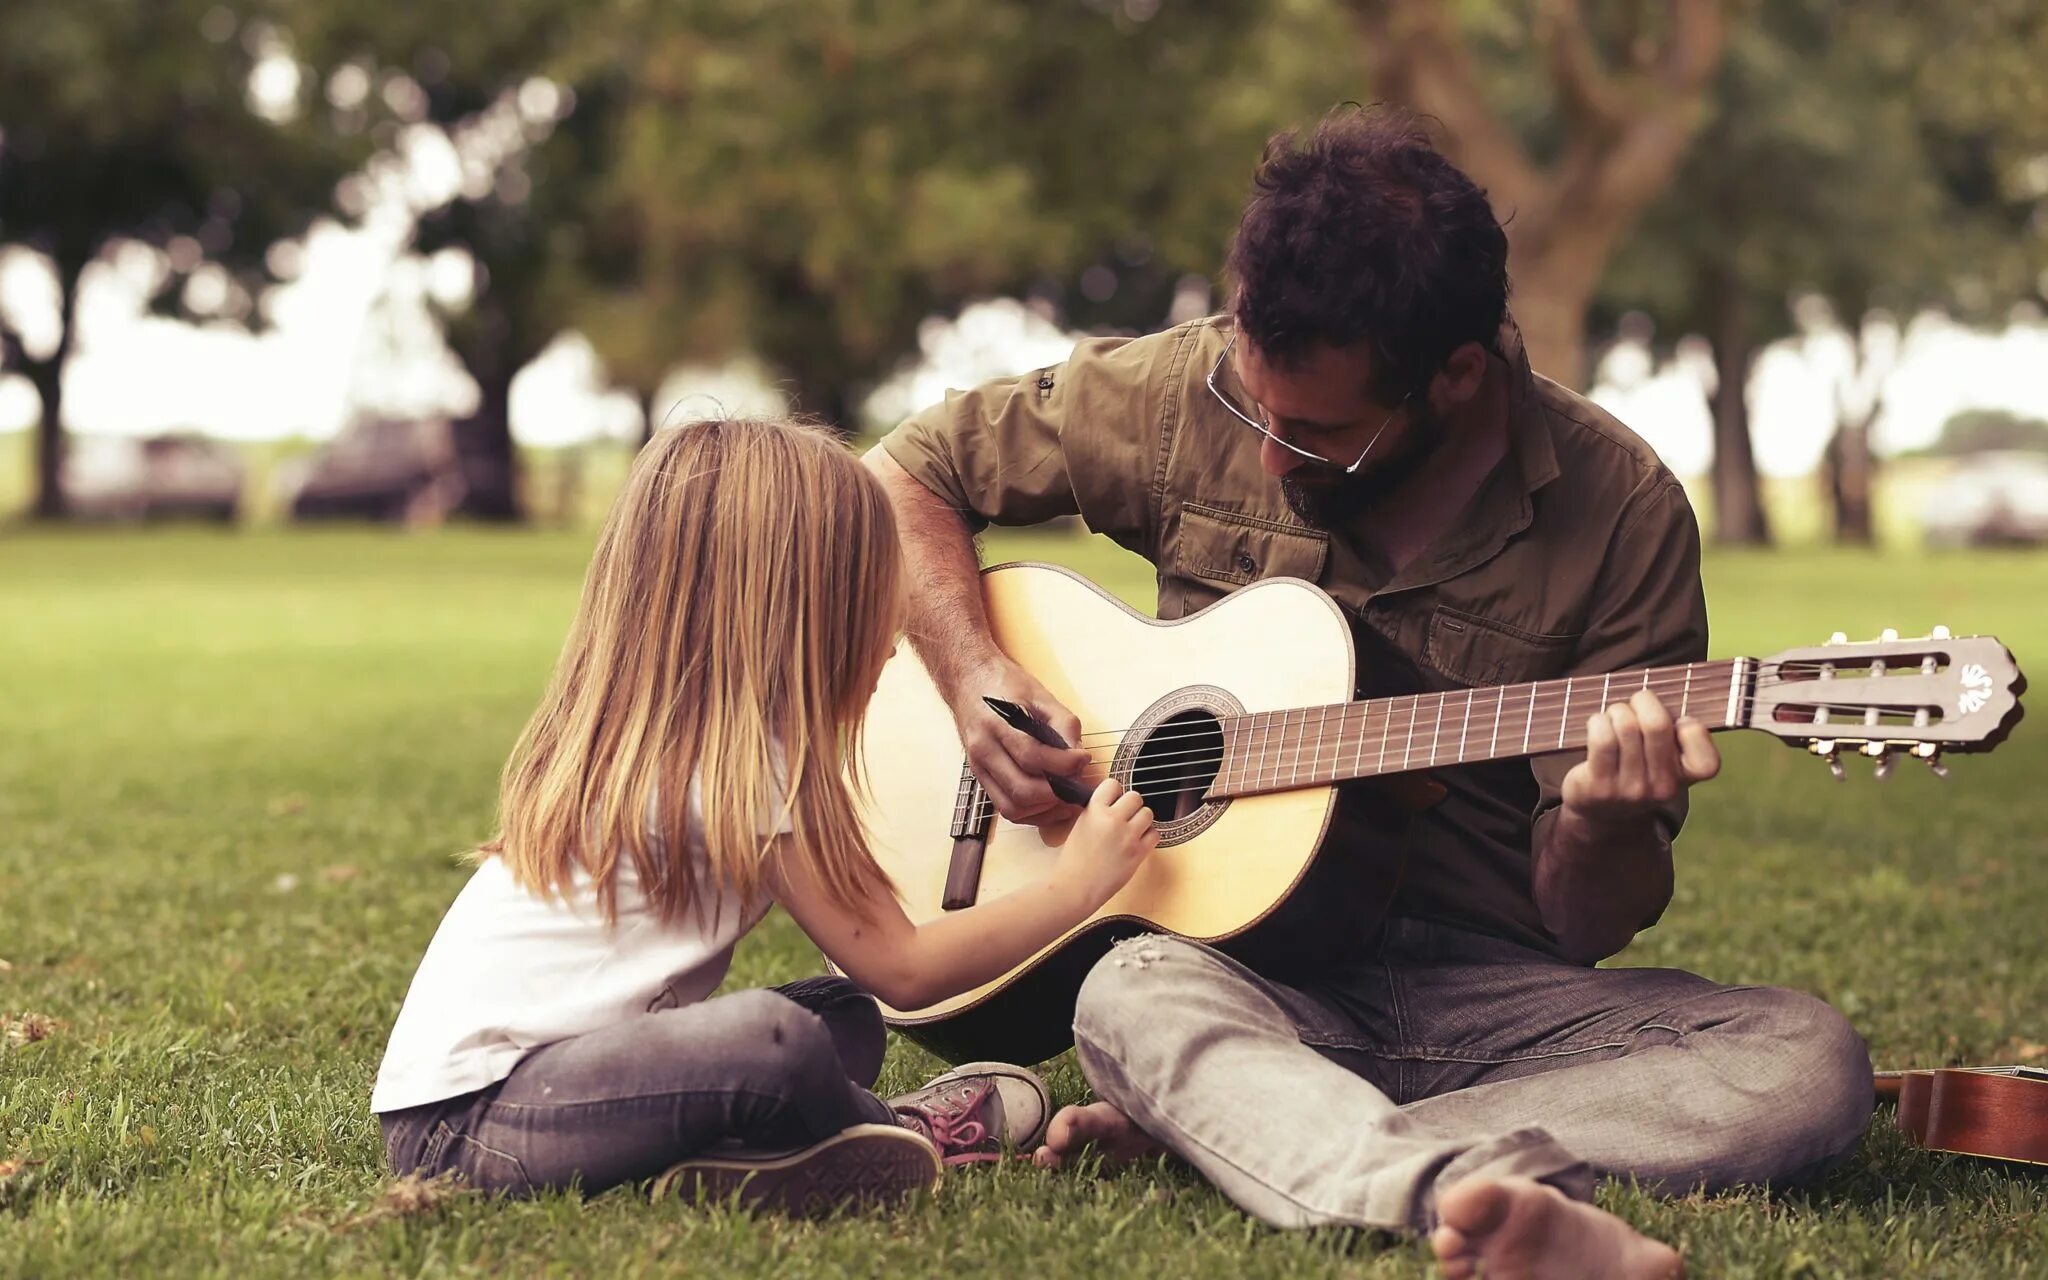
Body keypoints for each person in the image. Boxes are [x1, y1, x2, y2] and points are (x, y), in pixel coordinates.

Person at [868, 106, 1872, 1278]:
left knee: (1806, 1062)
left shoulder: (1624, 513)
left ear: (1454, 374)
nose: (1266, 457)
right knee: (1128, 993)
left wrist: (1604, 818)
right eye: (1253, 410)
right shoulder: (1182, 389)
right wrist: (971, 669)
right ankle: (1413, 1167)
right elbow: (902, 470)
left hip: (1488, 1001)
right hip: (1229, 966)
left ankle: (1247, 1129)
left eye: (1318, 436)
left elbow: (1590, 921)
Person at [371, 417, 1159, 1215]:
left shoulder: (670, 739)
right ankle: (902, 1135)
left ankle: (756, 1153)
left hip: (512, 1097)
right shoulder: (748, 770)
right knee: (773, 1044)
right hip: (475, 1125)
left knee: (840, 1015)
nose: (894, 617)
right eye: (874, 580)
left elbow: (869, 979)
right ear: (805, 607)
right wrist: (1075, 887)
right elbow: (906, 968)